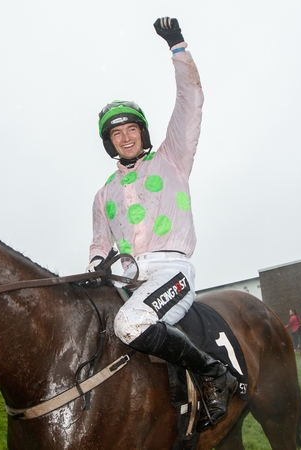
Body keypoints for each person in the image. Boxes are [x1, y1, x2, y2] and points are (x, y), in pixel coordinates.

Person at [86, 17, 237, 431]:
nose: (126, 137)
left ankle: (211, 372)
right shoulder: (102, 195)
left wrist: (178, 47)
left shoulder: (172, 158)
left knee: (131, 324)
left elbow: (191, 101)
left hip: (173, 271)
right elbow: (100, 243)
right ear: (109, 143)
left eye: (131, 128)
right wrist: (97, 265)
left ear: (142, 132)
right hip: (129, 280)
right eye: (116, 133)